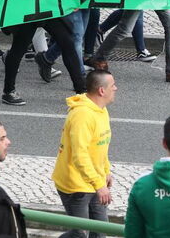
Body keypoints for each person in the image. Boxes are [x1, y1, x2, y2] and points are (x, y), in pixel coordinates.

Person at [52, 70, 116, 238]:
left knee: (100, 232)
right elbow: (80, 155)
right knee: (80, 234)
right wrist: (99, 185)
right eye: (112, 85)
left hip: (94, 182)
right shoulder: (82, 115)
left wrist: (106, 171)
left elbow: (100, 146)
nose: (116, 88)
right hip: (75, 186)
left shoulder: (100, 110)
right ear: (102, 91)